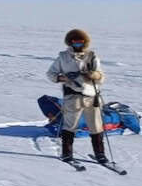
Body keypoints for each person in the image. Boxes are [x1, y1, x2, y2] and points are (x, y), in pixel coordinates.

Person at [45, 28, 106, 163]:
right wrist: (63, 78)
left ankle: (100, 154)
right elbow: (50, 74)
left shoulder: (92, 56)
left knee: (96, 126)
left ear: (84, 42)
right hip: (73, 97)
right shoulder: (63, 57)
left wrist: (94, 75)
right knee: (70, 126)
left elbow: (101, 76)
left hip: (92, 97)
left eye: (80, 41)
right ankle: (67, 153)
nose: (77, 44)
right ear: (70, 42)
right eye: (75, 41)